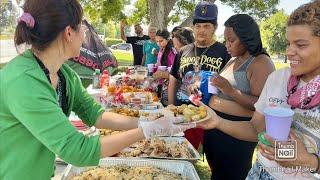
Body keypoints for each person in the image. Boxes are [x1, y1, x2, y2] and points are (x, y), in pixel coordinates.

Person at [0, 0, 194, 179]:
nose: (84, 34)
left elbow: (97, 116)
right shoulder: (24, 80)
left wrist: (150, 121)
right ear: (69, 33)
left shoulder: (63, 74)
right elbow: (77, 150)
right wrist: (147, 130)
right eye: (82, 28)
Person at [197, 1, 320, 179]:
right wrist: (217, 122)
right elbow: (257, 130)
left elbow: (299, 159)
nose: (289, 52)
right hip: (260, 173)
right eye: (288, 44)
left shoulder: (260, 64)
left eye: (300, 45)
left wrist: (310, 162)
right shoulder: (279, 79)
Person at [203, 14, 275, 180]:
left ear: (246, 37)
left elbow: (261, 104)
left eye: (231, 40)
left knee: (232, 174)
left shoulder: (260, 62)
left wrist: (229, 90)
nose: (226, 44)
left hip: (237, 134)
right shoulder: (234, 59)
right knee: (217, 174)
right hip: (216, 127)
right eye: (225, 39)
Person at [168, 1, 231, 149]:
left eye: (207, 26)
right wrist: (171, 107)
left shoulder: (224, 52)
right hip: (184, 115)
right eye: (198, 26)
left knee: (214, 157)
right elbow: (173, 79)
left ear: (215, 27)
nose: (202, 30)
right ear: (193, 27)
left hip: (211, 116)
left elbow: (228, 86)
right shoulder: (184, 51)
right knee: (181, 152)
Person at [152, 29, 177, 106]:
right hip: (161, 82)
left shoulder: (172, 51)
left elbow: (174, 69)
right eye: (157, 41)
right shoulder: (161, 49)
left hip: (169, 84)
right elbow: (159, 62)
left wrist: (163, 73)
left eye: (161, 41)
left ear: (167, 39)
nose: (159, 43)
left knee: (166, 105)